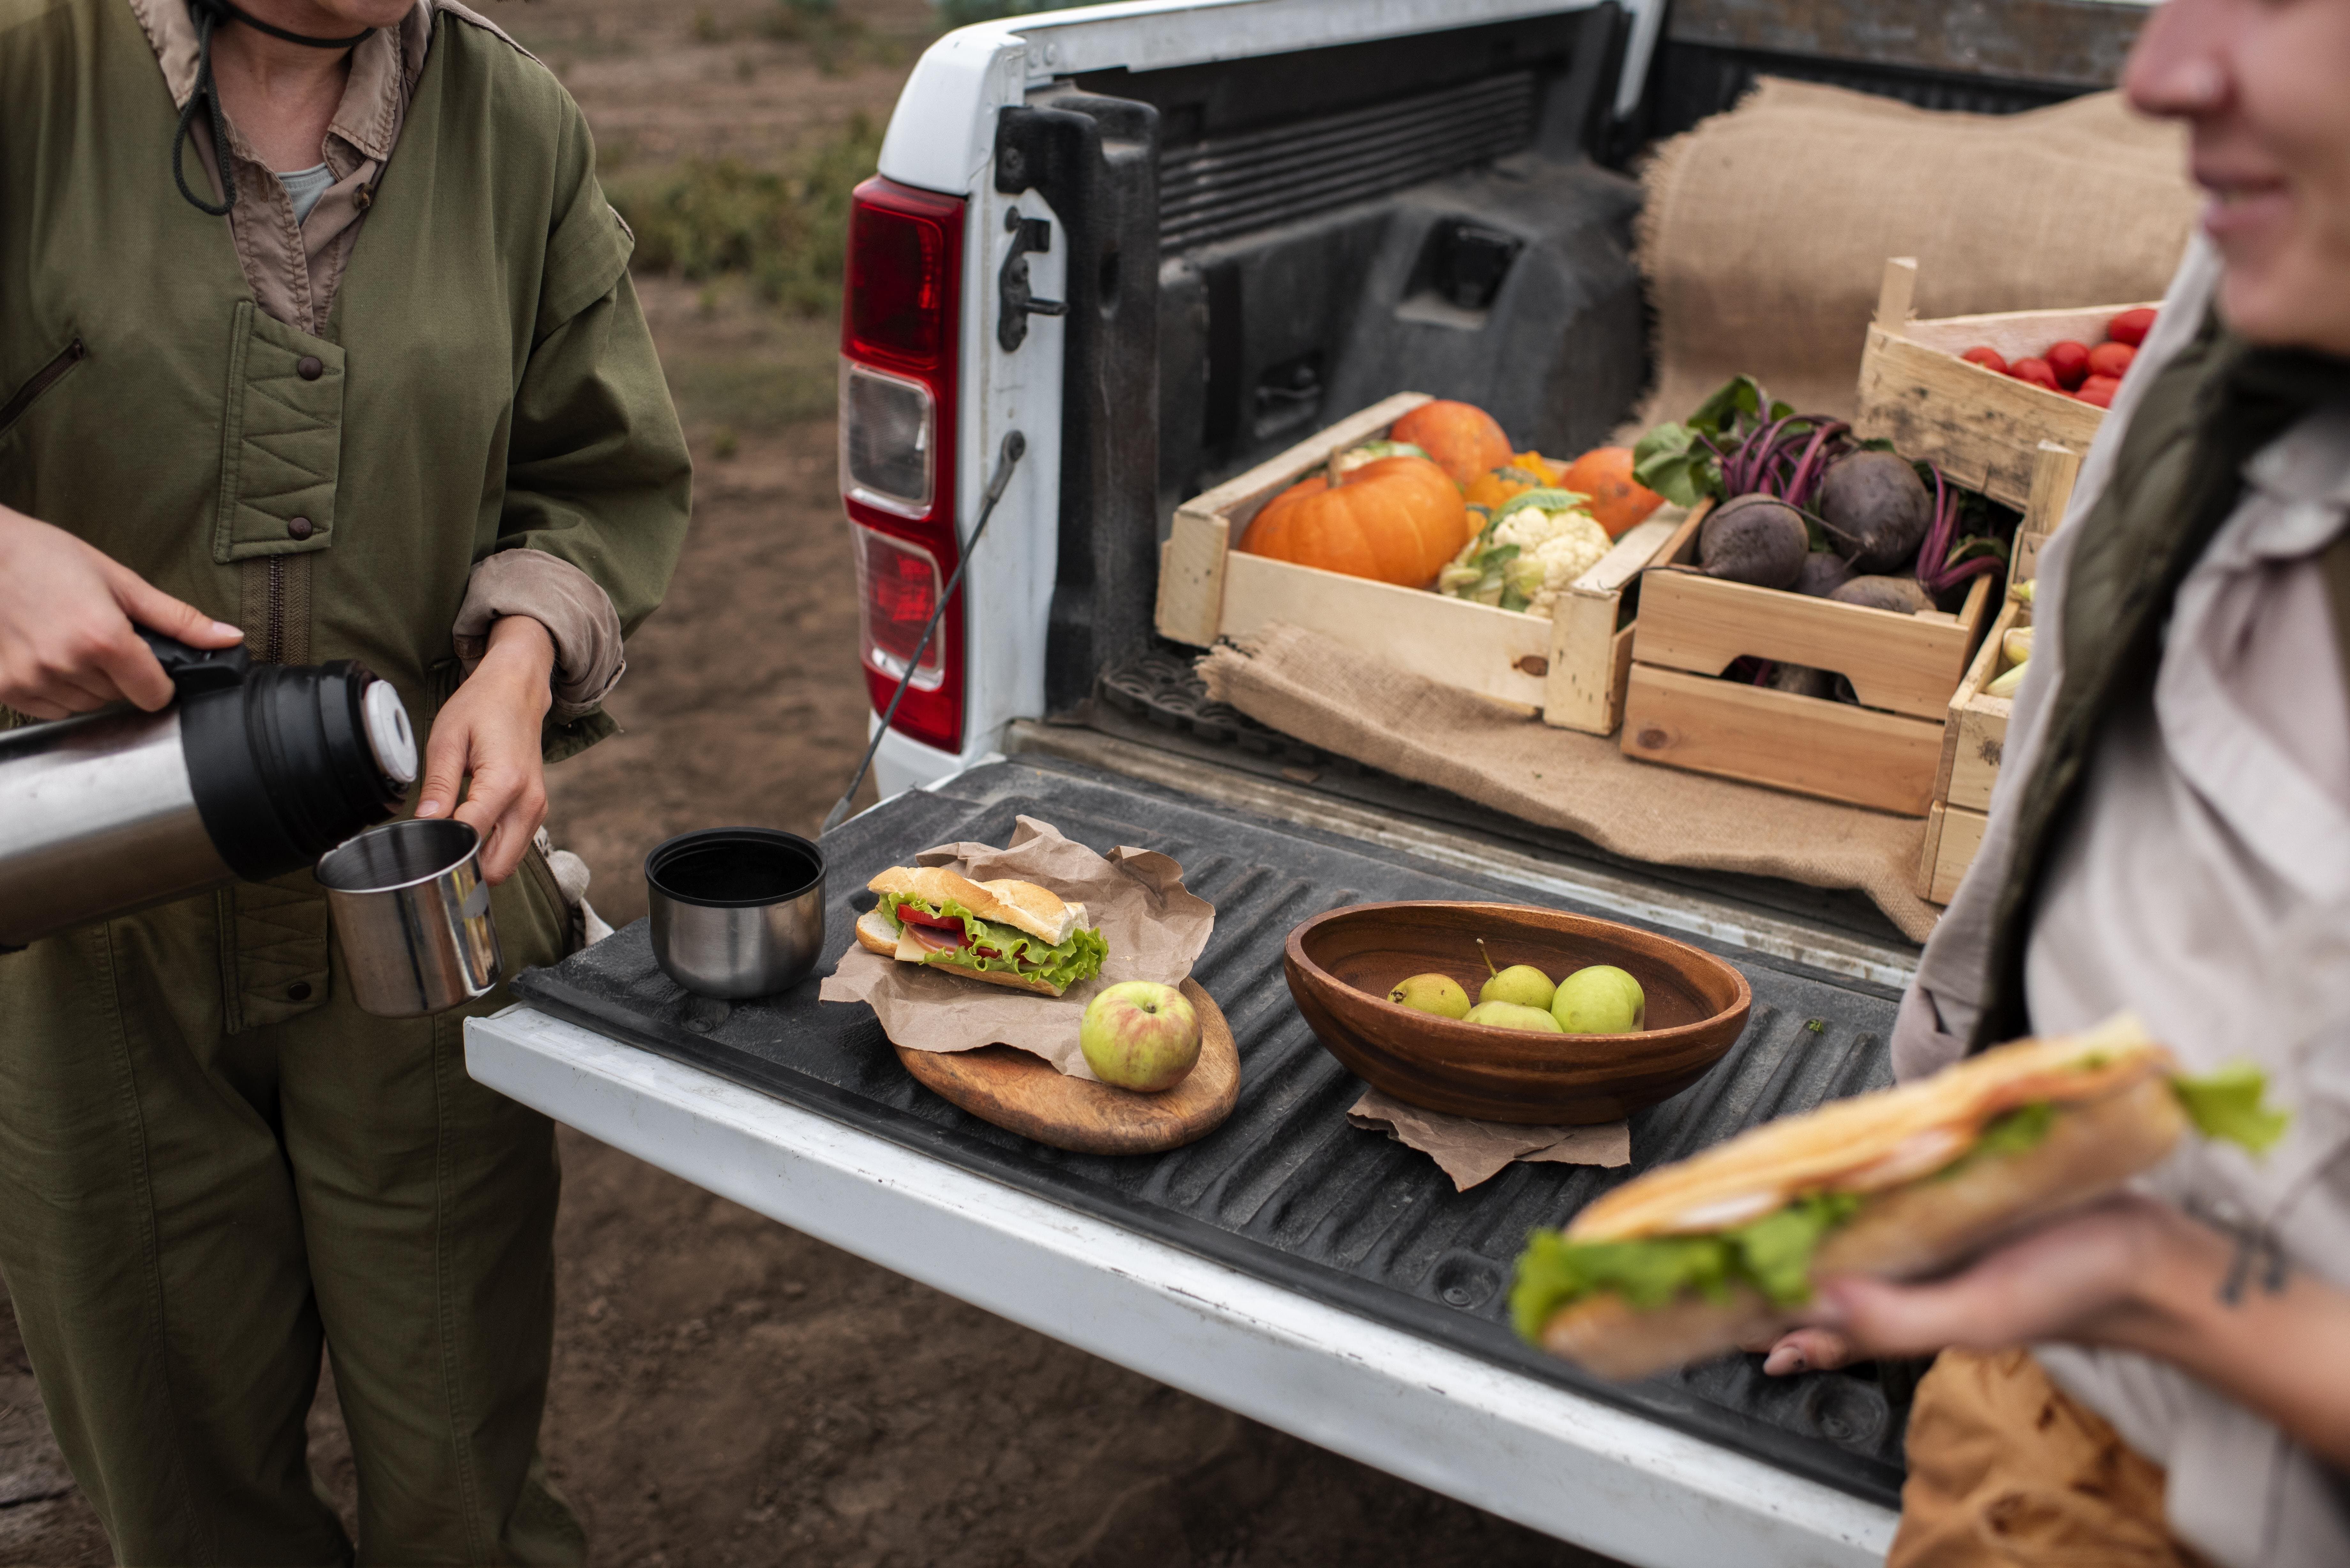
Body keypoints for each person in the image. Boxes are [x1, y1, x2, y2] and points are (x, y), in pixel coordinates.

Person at [0, 0, 690, 1555]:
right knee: (178, 1476)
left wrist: (520, 657)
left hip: (424, 907)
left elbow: (596, 481)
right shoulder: (25, 72)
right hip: (88, 928)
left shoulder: (520, 129)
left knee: (460, 1456)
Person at [1752, 1, 2350, 1563]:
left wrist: (2156, 1282)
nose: (2153, 77)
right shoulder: (2269, 277)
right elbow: (2091, 780)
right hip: (2045, 1400)